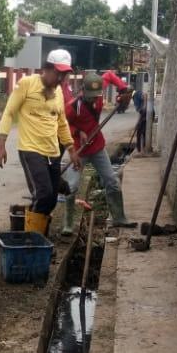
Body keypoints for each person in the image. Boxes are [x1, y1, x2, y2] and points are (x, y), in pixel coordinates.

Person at [0, 49, 80, 235]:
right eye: (58, 73)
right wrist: (1, 145)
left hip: (52, 152)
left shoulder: (58, 92)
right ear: (46, 68)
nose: (61, 79)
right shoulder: (26, 84)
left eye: (64, 75)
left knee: (50, 199)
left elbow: (62, 123)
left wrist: (72, 150)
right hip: (30, 149)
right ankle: (30, 239)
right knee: (43, 194)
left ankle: (37, 236)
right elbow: (9, 113)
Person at [60, 70, 138, 233]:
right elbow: (63, 126)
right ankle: (68, 225)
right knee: (72, 186)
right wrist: (78, 132)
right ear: (83, 91)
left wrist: (123, 89)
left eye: (97, 95)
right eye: (91, 96)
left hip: (97, 148)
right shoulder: (73, 107)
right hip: (79, 152)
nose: (95, 98)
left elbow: (109, 75)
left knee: (112, 181)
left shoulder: (98, 91)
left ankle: (119, 218)